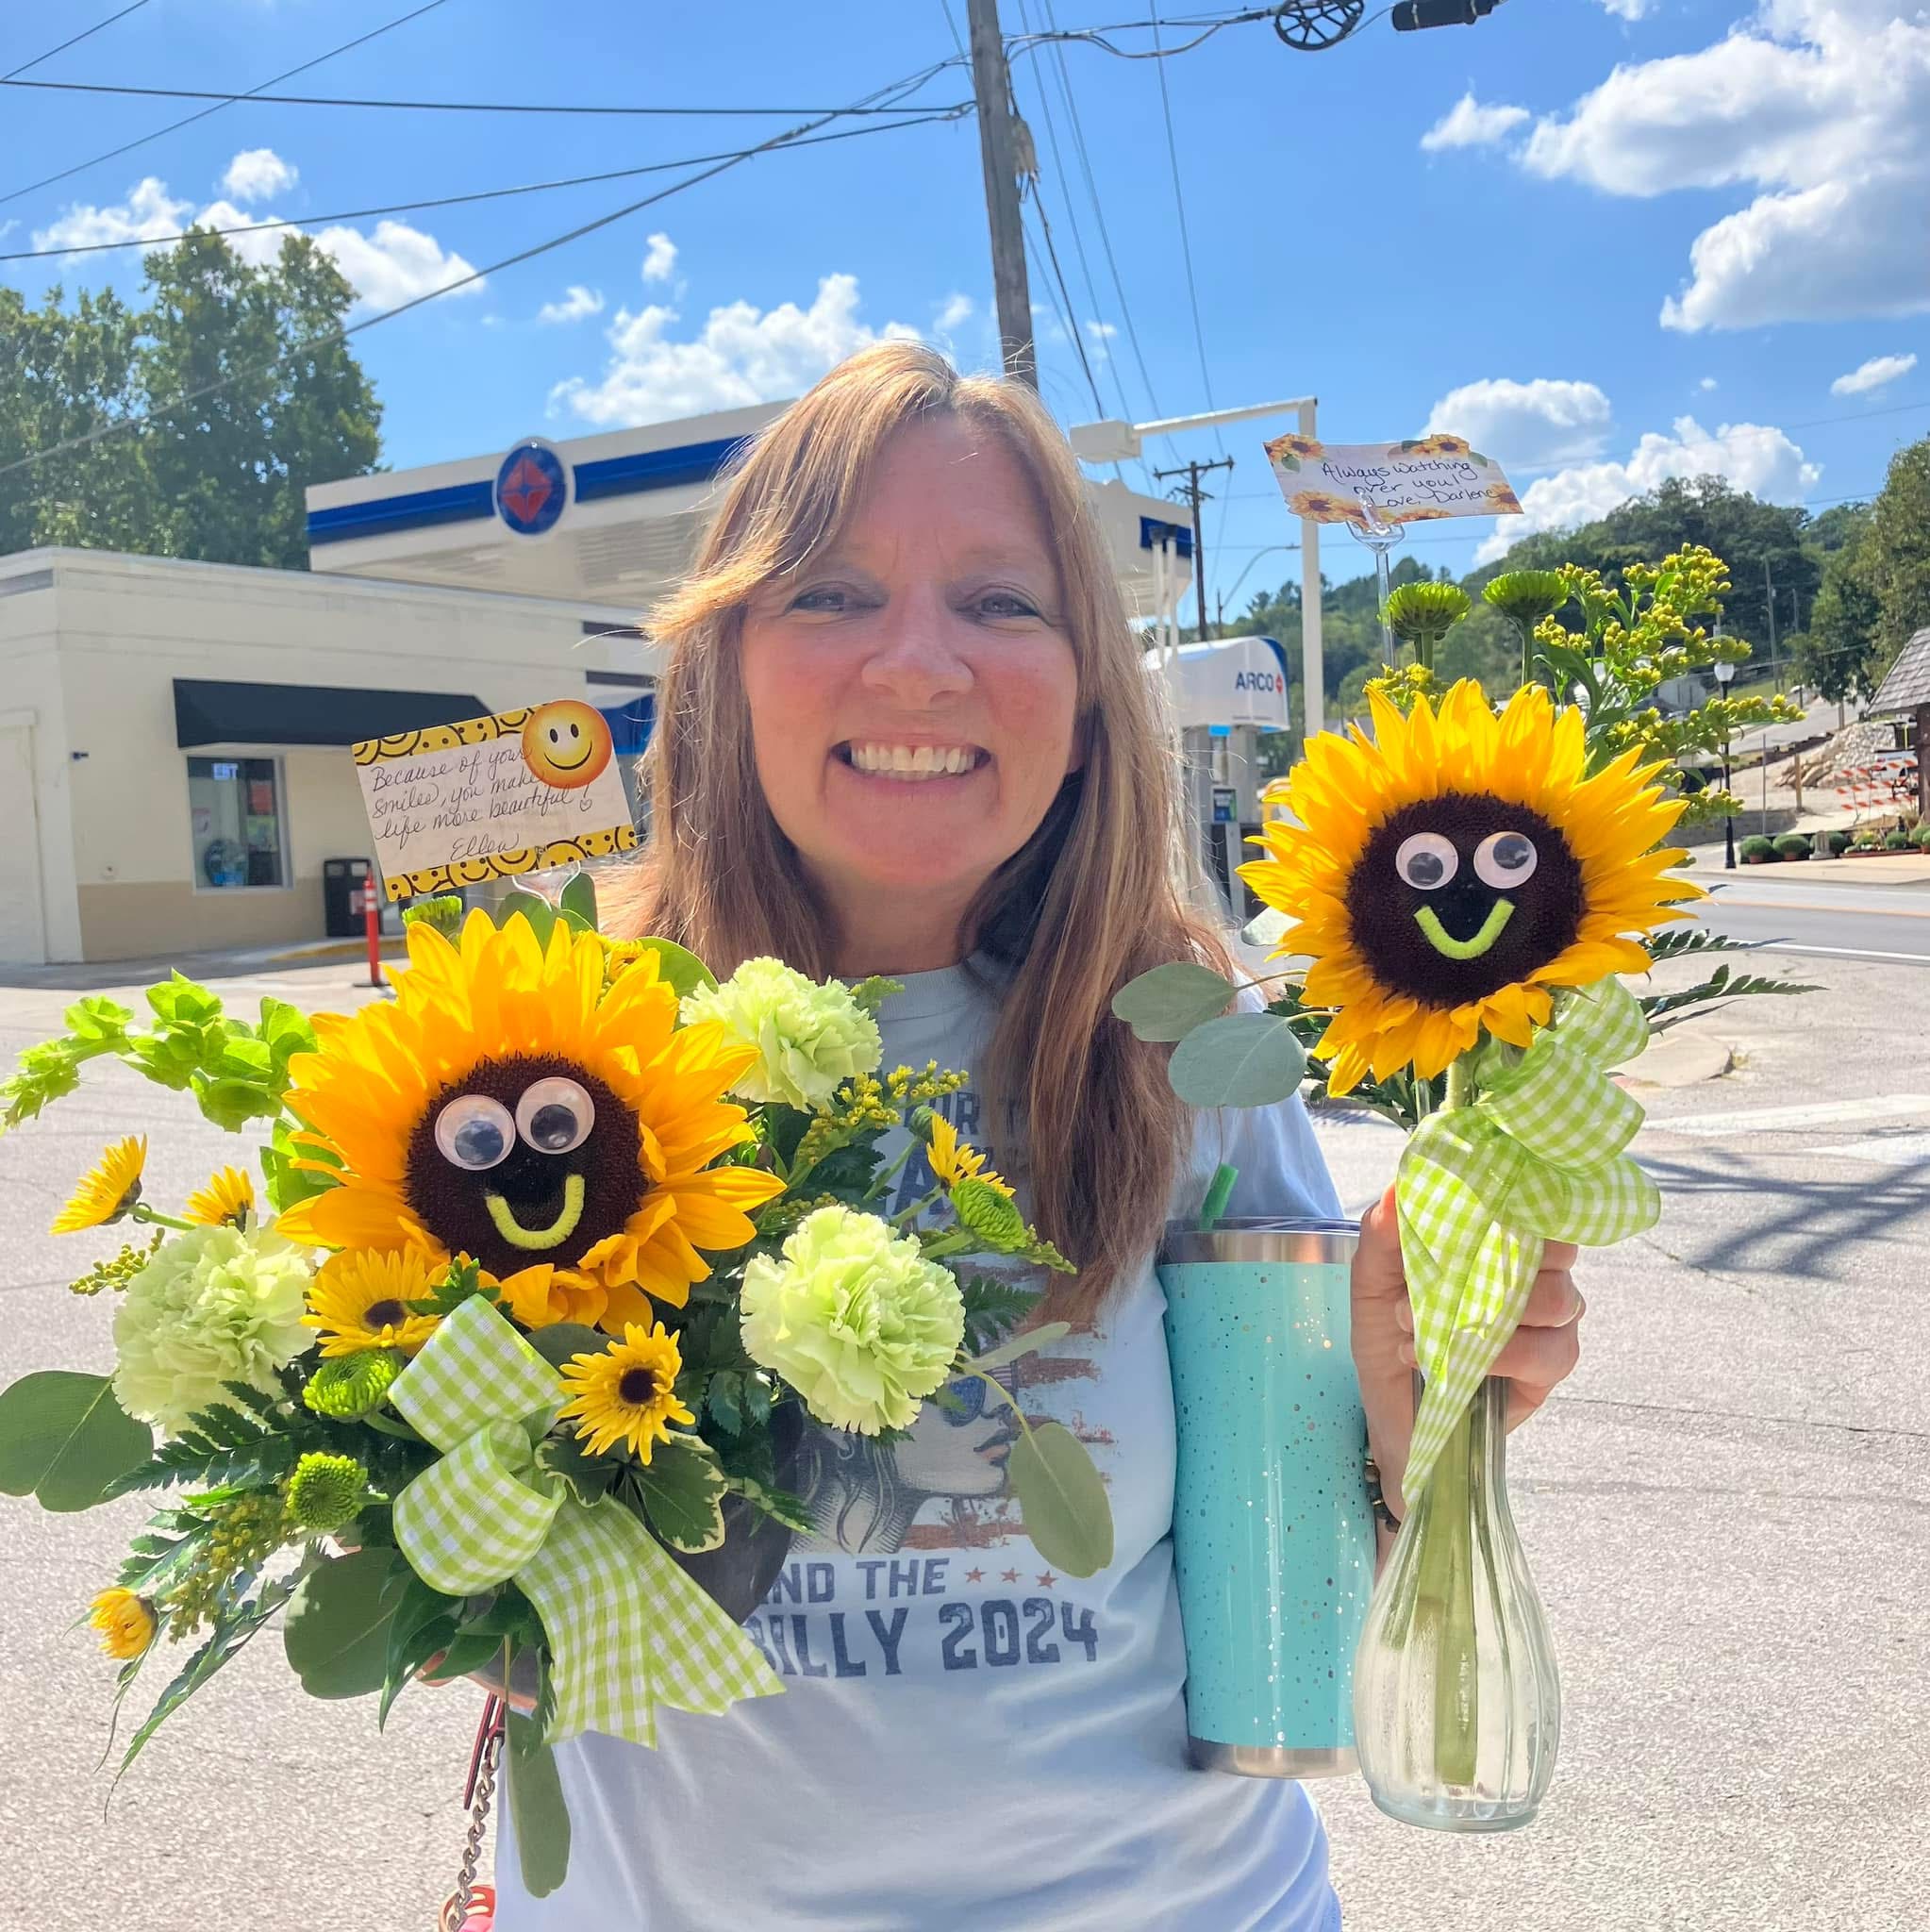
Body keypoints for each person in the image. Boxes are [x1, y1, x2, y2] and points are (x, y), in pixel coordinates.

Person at [492, 342, 1585, 1928]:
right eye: (829, 595)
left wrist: (1426, 1446)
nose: (919, 664)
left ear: (1084, 701)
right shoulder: (562, 1039)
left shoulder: (1192, 1045)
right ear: (721, 664)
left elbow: (1304, 1582)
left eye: (1002, 603)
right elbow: (451, 1570)